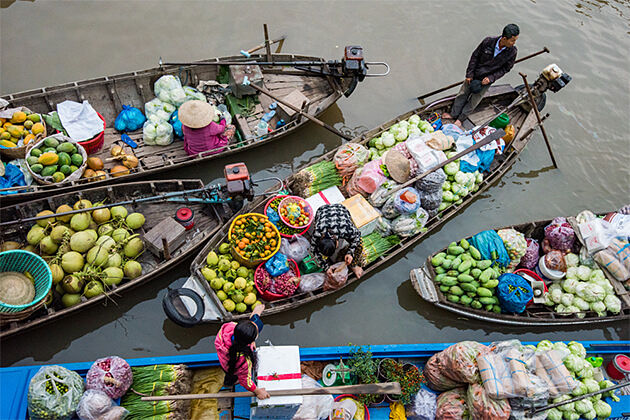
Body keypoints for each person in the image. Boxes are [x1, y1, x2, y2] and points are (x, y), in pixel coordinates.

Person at [443, 24, 520, 128]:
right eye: (513, 40)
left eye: (515, 40)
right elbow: (475, 56)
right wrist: (469, 74)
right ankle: (453, 114)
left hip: (486, 80)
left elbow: (506, 68)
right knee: (462, 94)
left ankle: (461, 119)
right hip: (474, 74)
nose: (514, 43)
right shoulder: (488, 42)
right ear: (504, 38)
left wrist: (491, 78)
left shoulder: (512, 52)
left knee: (474, 100)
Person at [214, 303, 270, 399]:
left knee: (228, 373)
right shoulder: (244, 360)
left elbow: (248, 327)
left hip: (223, 360)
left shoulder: (228, 328)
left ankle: (228, 381)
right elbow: (245, 380)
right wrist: (257, 391)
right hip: (232, 367)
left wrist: (256, 312)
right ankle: (230, 383)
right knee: (232, 376)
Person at [310, 203, 365, 279]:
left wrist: (350, 253)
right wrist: (326, 267)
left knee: (359, 244)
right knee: (316, 223)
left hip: (341, 209)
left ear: (337, 243)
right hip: (322, 209)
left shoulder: (346, 230)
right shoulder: (318, 232)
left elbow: (358, 236)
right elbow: (314, 250)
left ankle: (354, 266)